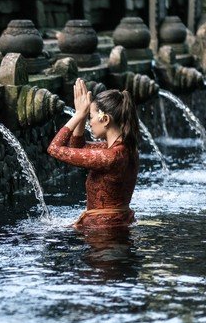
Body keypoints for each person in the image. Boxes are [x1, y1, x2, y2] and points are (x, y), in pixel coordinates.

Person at [47, 78, 139, 229]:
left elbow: (54, 149)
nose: (90, 122)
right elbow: (78, 146)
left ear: (105, 119)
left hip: (104, 235)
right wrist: (82, 117)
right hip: (115, 227)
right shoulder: (125, 148)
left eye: (90, 117)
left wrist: (77, 115)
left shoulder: (111, 157)